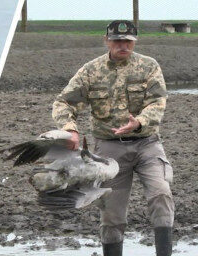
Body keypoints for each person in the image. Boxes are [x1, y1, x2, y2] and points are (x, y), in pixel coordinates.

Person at [51, 20, 174, 256]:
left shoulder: (148, 66)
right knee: (111, 212)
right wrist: (70, 130)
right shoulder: (91, 70)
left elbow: (158, 102)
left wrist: (138, 122)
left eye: (128, 41)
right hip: (109, 150)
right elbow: (63, 102)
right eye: (117, 41)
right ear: (107, 40)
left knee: (161, 194)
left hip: (147, 144)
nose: (123, 45)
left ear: (134, 42)